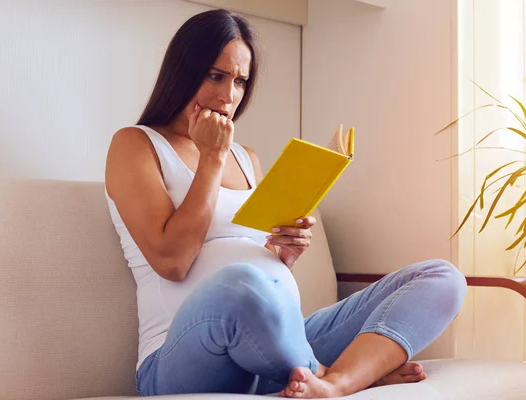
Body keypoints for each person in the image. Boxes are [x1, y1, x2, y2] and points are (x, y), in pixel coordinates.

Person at [104, 8, 467, 398]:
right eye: (216, 76)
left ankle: (334, 382)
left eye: (240, 81)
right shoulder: (136, 145)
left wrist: (284, 253)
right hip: (180, 359)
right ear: (183, 71)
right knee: (242, 284)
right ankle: (348, 377)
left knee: (441, 277)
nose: (229, 95)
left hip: (277, 341)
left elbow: (262, 267)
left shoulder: (247, 158)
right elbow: (172, 262)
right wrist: (211, 158)